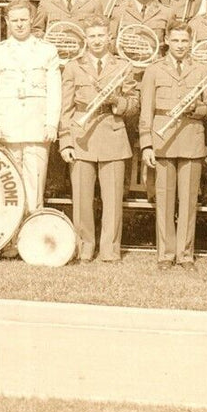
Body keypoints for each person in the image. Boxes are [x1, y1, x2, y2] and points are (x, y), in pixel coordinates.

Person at [59, 20, 137, 263]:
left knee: (112, 200)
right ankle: (84, 247)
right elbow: (66, 108)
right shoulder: (73, 67)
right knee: (82, 199)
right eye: (92, 36)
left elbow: (134, 103)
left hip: (112, 133)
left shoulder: (123, 66)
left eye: (101, 35)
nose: (96, 40)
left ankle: (109, 250)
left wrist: (117, 102)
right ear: (86, 39)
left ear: (109, 37)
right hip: (81, 136)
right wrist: (66, 141)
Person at [139, 25, 207, 270]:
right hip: (162, 141)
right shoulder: (154, 70)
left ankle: (185, 254)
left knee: (189, 200)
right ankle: (165, 254)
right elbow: (146, 110)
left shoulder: (203, 70)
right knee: (164, 200)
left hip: (191, 139)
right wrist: (146, 144)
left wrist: (198, 108)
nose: (180, 45)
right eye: (176, 40)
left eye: (184, 40)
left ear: (191, 41)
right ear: (166, 40)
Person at [0, 0, 62, 216]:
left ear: (31, 20)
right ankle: (9, 231)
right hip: (7, 128)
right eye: (14, 20)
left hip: (37, 127)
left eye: (23, 20)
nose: (19, 24)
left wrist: (51, 123)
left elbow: (55, 90)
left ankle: (32, 229)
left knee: (35, 187)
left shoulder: (47, 50)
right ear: (7, 21)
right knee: (7, 187)